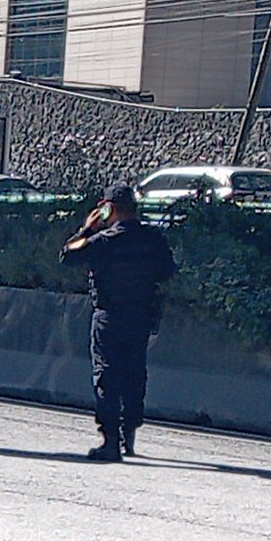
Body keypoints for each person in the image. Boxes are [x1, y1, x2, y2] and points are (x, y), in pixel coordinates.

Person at [60, 182, 177, 462]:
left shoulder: (104, 241)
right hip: (140, 315)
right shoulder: (153, 238)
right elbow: (168, 271)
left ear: (108, 208)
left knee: (107, 375)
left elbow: (68, 254)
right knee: (135, 372)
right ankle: (129, 434)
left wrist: (87, 228)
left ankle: (110, 441)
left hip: (109, 316)